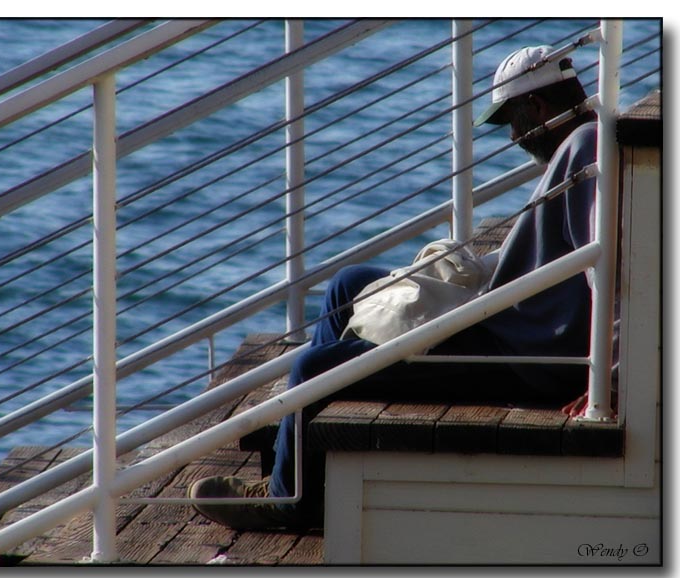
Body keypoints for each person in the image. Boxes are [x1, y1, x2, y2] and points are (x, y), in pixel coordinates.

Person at [188, 45, 600, 530]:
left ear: (538, 109)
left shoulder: (586, 151)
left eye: (513, 119)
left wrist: (607, 376)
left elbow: (616, 276)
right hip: (510, 324)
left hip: (521, 358)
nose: (512, 135)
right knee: (348, 286)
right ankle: (298, 439)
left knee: (311, 367)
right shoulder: (590, 143)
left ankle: (291, 500)